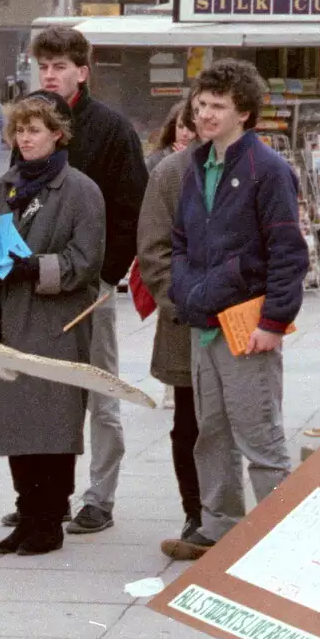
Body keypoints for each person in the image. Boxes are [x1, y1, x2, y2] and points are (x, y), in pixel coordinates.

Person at [164, 60, 308, 560]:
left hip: (247, 327)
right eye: (200, 104)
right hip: (204, 324)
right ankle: (219, 528)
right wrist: (185, 290)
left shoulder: (267, 170)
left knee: (260, 438)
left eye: (217, 106)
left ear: (243, 113)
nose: (204, 114)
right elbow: (179, 242)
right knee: (213, 434)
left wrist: (273, 322)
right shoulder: (197, 165)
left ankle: (281, 538)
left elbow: (289, 253)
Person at [0, 92, 105, 555]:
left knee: (54, 422)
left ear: (57, 134)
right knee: (15, 424)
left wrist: (35, 267)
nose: (25, 139)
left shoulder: (81, 189)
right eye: (20, 131)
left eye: (35, 130)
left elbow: (85, 260)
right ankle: (27, 513)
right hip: (8, 320)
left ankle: (50, 518)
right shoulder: (1, 187)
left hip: (55, 321)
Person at [31, 25, 148, 535]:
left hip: (91, 287)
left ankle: (99, 497)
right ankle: (50, 496)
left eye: (60, 67)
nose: (50, 75)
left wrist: (105, 276)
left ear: (82, 72)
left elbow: (133, 209)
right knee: (49, 392)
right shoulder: (30, 124)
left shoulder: (111, 128)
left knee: (101, 392)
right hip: (39, 285)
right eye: (44, 67)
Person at [137, 95, 202, 546]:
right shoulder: (167, 173)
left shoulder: (259, 168)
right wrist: (174, 301)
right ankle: (195, 513)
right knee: (188, 420)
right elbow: (153, 251)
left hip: (239, 323)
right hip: (185, 318)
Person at [147, 96, 197, 173]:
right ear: (173, 128)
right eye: (180, 126)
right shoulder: (156, 160)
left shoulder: (209, 159)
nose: (185, 133)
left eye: (191, 127)